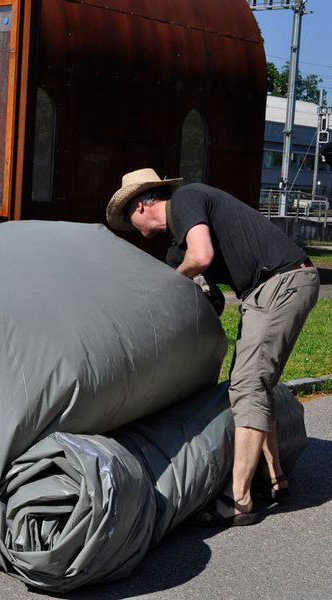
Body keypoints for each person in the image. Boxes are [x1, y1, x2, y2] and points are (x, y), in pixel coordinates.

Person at [106, 168, 319, 526]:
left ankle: (238, 500)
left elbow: (201, 257)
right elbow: (207, 298)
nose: (131, 227)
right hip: (266, 290)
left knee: (248, 386)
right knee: (252, 385)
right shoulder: (176, 247)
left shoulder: (187, 199)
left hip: (281, 281)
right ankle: (276, 478)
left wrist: (174, 282)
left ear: (141, 204)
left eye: (128, 217)